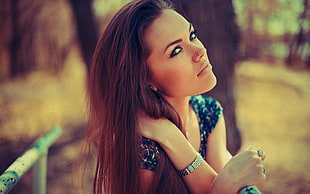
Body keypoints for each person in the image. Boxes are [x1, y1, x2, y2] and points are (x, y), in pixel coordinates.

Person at [86, 0, 266, 193]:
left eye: (192, 35)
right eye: (176, 51)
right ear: (145, 79)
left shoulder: (207, 112)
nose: (200, 51)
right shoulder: (142, 148)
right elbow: (222, 185)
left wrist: (170, 136)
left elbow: (220, 178)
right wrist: (224, 186)